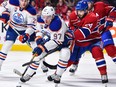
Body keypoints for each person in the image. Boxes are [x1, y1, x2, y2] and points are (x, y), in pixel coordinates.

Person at [47, 1, 108, 84]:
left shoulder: (92, 17)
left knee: (97, 52)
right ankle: (57, 74)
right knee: (70, 59)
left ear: (87, 10)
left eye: (81, 11)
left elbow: (84, 33)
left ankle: (103, 74)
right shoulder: (72, 15)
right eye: (78, 10)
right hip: (79, 42)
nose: (79, 13)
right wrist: (67, 36)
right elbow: (71, 27)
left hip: (93, 40)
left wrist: (70, 36)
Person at [19, 6, 71, 83]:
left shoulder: (57, 23)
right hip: (52, 39)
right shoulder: (41, 19)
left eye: (48, 17)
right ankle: (29, 74)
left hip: (63, 41)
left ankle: (58, 75)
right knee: (38, 55)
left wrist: (41, 47)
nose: (45, 19)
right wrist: (32, 36)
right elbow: (37, 29)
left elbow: (57, 42)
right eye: (44, 17)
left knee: (65, 54)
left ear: (53, 16)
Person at [69, 0, 116, 76]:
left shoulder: (100, 6)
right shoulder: (80, 12)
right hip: (88, 34)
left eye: (89, 3)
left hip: (102, 32)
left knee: (111, 49)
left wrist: (110, 19)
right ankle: (75, 63)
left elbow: (113, 9)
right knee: (77, 47)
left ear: (92, 2)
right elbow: (72, 24)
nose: (87, 5)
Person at [0, 0, 37, 70]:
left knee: (35, 47)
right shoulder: (12, 2)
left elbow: (32, 26)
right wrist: (4, 14)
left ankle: (43, 65)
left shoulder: (31, 11)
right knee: (6, 46)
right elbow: (2, 6)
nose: (23, 3)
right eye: (22, 0)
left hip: (25, 29)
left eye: (26, 1)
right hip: (13, 28)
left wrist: (26, 35)